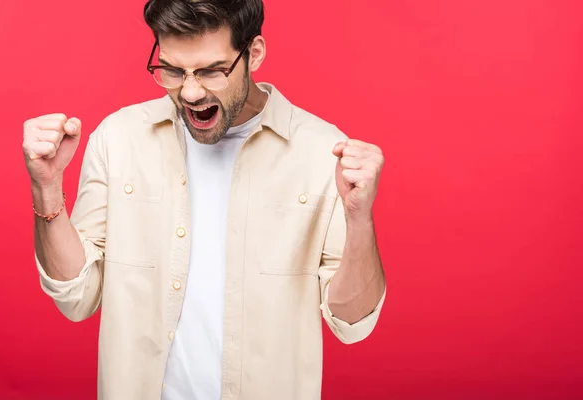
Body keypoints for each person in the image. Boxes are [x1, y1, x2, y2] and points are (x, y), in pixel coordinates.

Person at [22, 1, 386, 399]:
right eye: (174, 70)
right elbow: (77, 297)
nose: (191, 91)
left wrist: (359, 219)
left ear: (255, 53)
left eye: (212, 71)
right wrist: (47, 186)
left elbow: (353, 322)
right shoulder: (118, 139)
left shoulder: (319, 151)